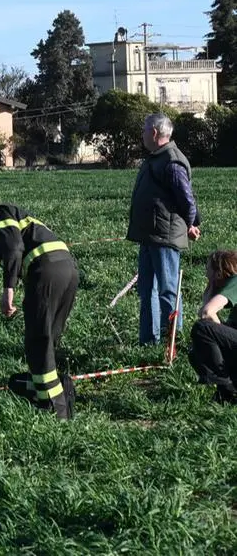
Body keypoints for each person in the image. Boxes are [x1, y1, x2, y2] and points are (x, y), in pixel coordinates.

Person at [0, 192, 78, 420]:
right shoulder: (15, 215)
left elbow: (13, 248)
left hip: (47, 271)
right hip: (67, 269)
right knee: (49, 339)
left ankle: (54, 410)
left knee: (37, 342)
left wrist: (8, 291)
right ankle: (61, 391)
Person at [126, 113, 200, 346]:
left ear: (155, 133)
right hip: (150, 235)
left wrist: (190, 224)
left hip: (165, 235)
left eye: (145, 130)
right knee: (146, 290)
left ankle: (173, 342)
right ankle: (149, 341)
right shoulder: (156, 158)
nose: (142, 134)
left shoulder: (171, 160)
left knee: (168, 290)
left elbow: (187, 199)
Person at [189, 250, 237, 403]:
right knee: (196, 351)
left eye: (208, 269)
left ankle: (229, 390)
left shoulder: (236, 281)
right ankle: (226, 393)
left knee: (202, 329)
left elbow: (207, 312)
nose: (205, 273)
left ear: (218, 272)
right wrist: (211, 288)